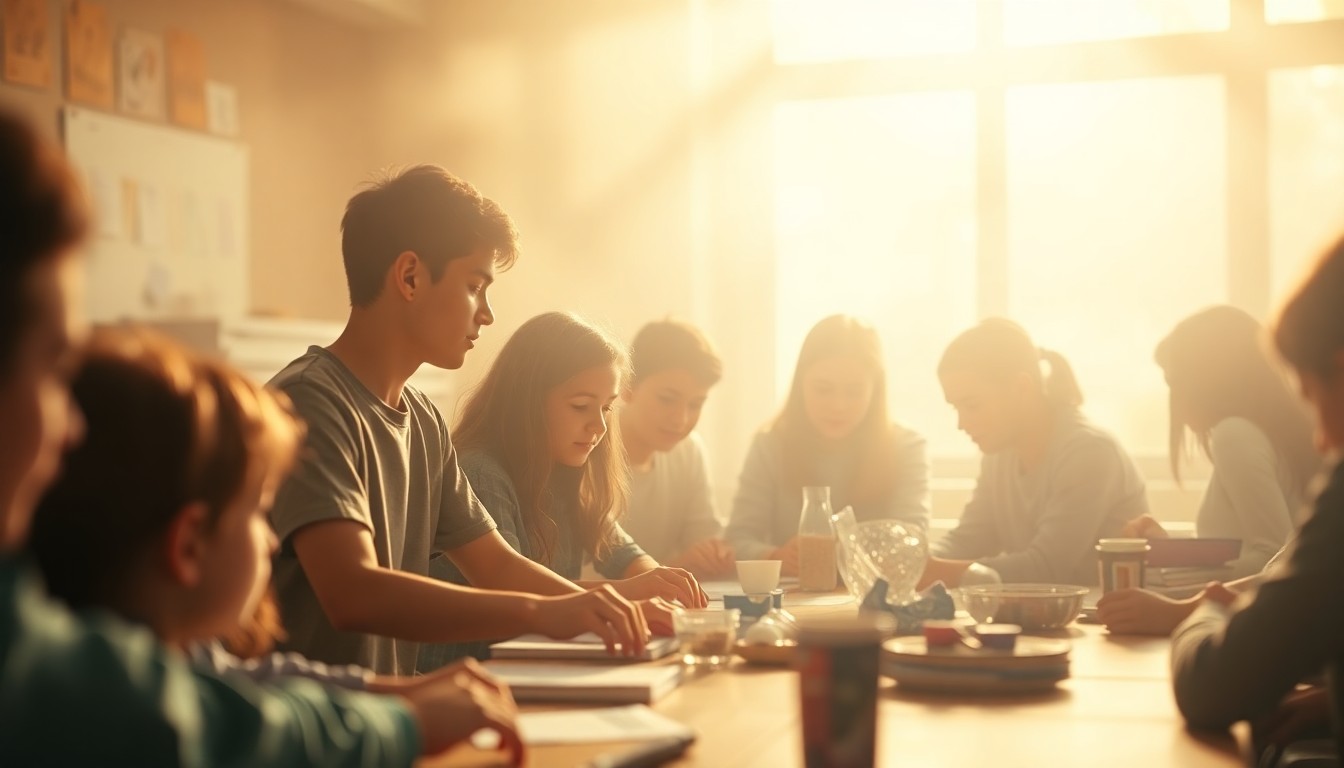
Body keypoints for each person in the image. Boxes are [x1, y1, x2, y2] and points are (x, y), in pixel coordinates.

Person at [0, 109, 513, 766]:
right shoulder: (311, 401)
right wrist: (403, 719)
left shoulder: (425, 419)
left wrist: (405, 698)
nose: (67, 425)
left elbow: (247, 689)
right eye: (51, 366)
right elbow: (219, 713)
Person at [266, 166, 655, 676]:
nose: (486, 313)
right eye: (475, 286)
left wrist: (608, 611)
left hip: (392, 718)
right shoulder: (310, 403)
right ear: (409, 277)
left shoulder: (422, 419)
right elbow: (353, 593)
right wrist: (548, 611)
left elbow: (494, 564)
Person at [420, 313, 706, 669]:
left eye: (606, 408)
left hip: (533, 668)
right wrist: (629, 595)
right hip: (470, 675)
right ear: (527, 400)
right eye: (581, 406)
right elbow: (514, 589)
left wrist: (661, 584)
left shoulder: (564, 470)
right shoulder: (479, 473)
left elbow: (624, 554)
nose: (599, 426)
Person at [1171, 233, 1344, 761]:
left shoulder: (1237, 435)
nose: (1319, 439)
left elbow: (1210, 687)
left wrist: (1204, 613)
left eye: (1313, 396)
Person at [1098, 306, 1318, 635]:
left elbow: (1272, 557)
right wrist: (1172, 549)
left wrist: (1175, 582)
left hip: (1260, 630)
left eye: (1175, 380)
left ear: (1207, 378)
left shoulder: (1235, 435)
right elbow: (1255, 549)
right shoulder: (1266, 433)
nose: (1173, 398)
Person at [921, 318, 1148, 588]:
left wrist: (936, 572)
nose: (961, 423)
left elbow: (1046, 569)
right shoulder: (998, 454)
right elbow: (970, 538)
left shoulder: (1090, 453)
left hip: (1105, 625)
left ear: (1022, 387)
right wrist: (915, 561)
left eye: (972, 405)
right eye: (955, 407)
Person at [725, 314, 929, 575]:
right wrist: (774, 556)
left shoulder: (906, 447)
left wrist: (851, 556)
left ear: (874, 391)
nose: (838, 406)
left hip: (876, 602)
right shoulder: (770, 445)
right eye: (823, 389)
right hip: (793, 600)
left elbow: (912, 540)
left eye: (854, 392)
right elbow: (737, 539)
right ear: (801, 385)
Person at [618, 319, 733, 578]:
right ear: (628, 386)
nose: (681, 419)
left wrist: (714, 555)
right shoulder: (587, 448)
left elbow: (703, 540)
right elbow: (579, 575)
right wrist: (678, 566)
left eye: (695, 404)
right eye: (667, 399)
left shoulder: (689, 451)